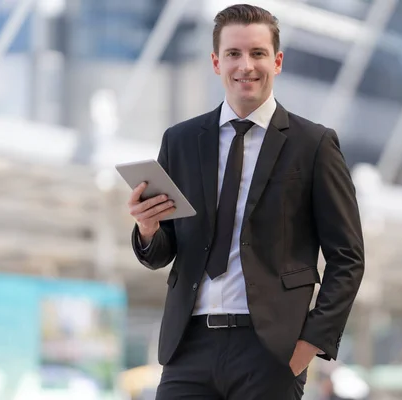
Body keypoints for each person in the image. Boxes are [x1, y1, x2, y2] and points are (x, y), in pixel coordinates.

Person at [127, 3, 365, 399]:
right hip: (188, 348)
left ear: (278, 61)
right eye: (234, 54)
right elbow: (164, 251)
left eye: (258, 53)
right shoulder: (181, 141)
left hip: (270, 352)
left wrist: (307, 347)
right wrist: (148, 229)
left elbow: (348, 258)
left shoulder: (314, 145)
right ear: (216, 62)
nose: (246, 66)